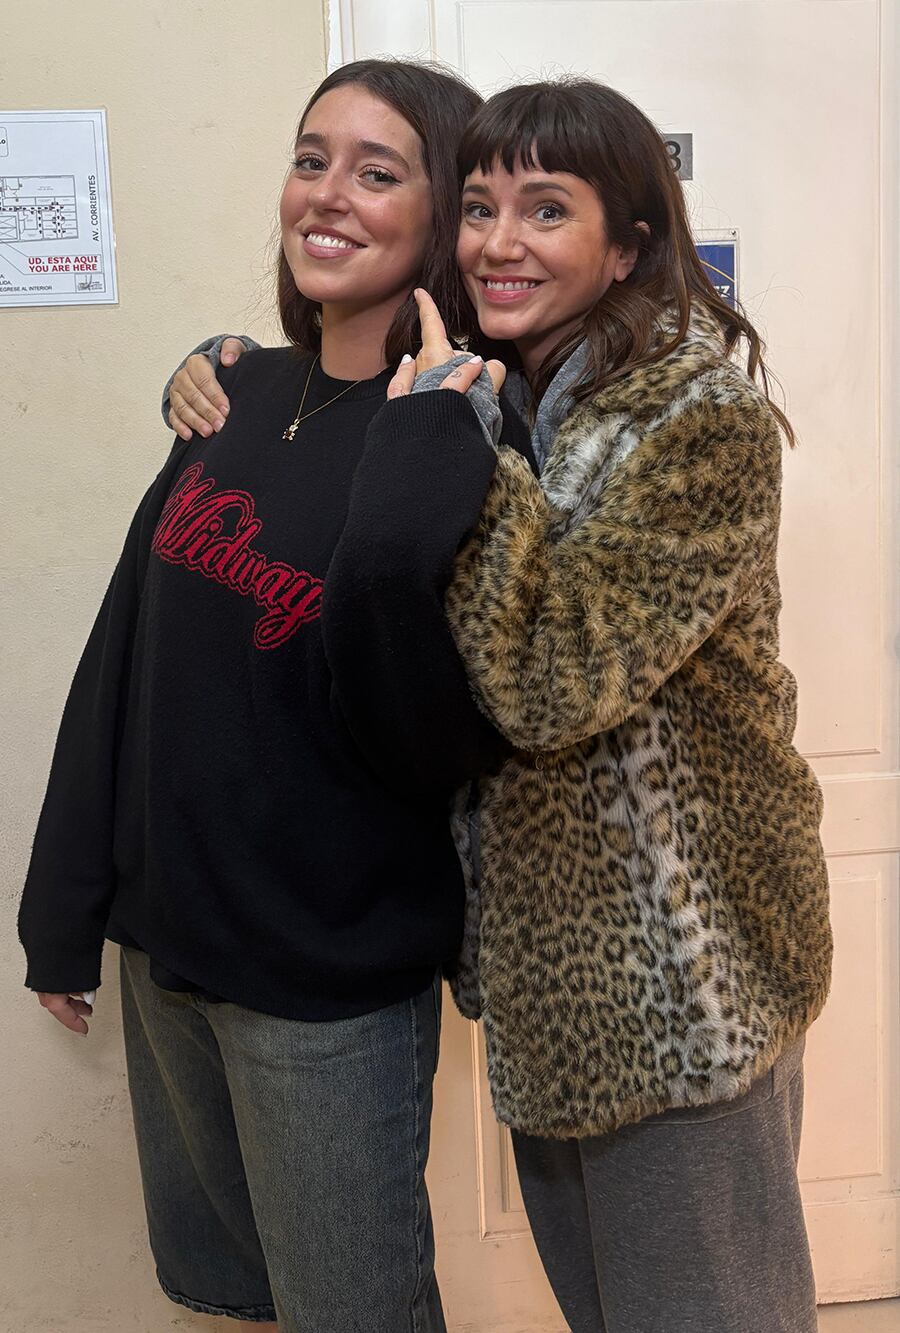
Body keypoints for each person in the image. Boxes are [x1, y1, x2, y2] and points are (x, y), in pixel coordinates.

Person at [177, 79, 833, 1333]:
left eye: (547, 208)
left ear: (627, 242)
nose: (499, 241)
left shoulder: (692, 418)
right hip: (552, 1002)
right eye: (478, 207)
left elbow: (550, 681)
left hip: (688, 987)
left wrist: (456, 441)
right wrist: (220, 375)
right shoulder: (517, 387)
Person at [17, 58, 529, 1333]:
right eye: (313, 159)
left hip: (327, 980)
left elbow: (438, 734)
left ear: (442, 214)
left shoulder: (459, 425)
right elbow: (125, 664)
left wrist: (422, 445)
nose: (330, 196)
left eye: (378, 170)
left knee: (357, 1310)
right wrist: (68, 904)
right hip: (171, 957)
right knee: (235, 1298)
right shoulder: (230, 392)